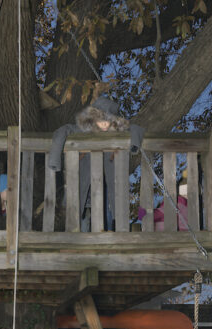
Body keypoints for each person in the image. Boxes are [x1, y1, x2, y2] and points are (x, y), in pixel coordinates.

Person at [48, 93, 144, 232]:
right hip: (85, 184)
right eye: (101, 120)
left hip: (107, 185)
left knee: (109, 213)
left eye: (108, 120)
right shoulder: (82, 130)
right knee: (81, 217)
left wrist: (134, 145)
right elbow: (61, 131)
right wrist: (54, 160)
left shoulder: (117, 132)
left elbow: (136, 129)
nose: (104, 123)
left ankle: (110, 235)